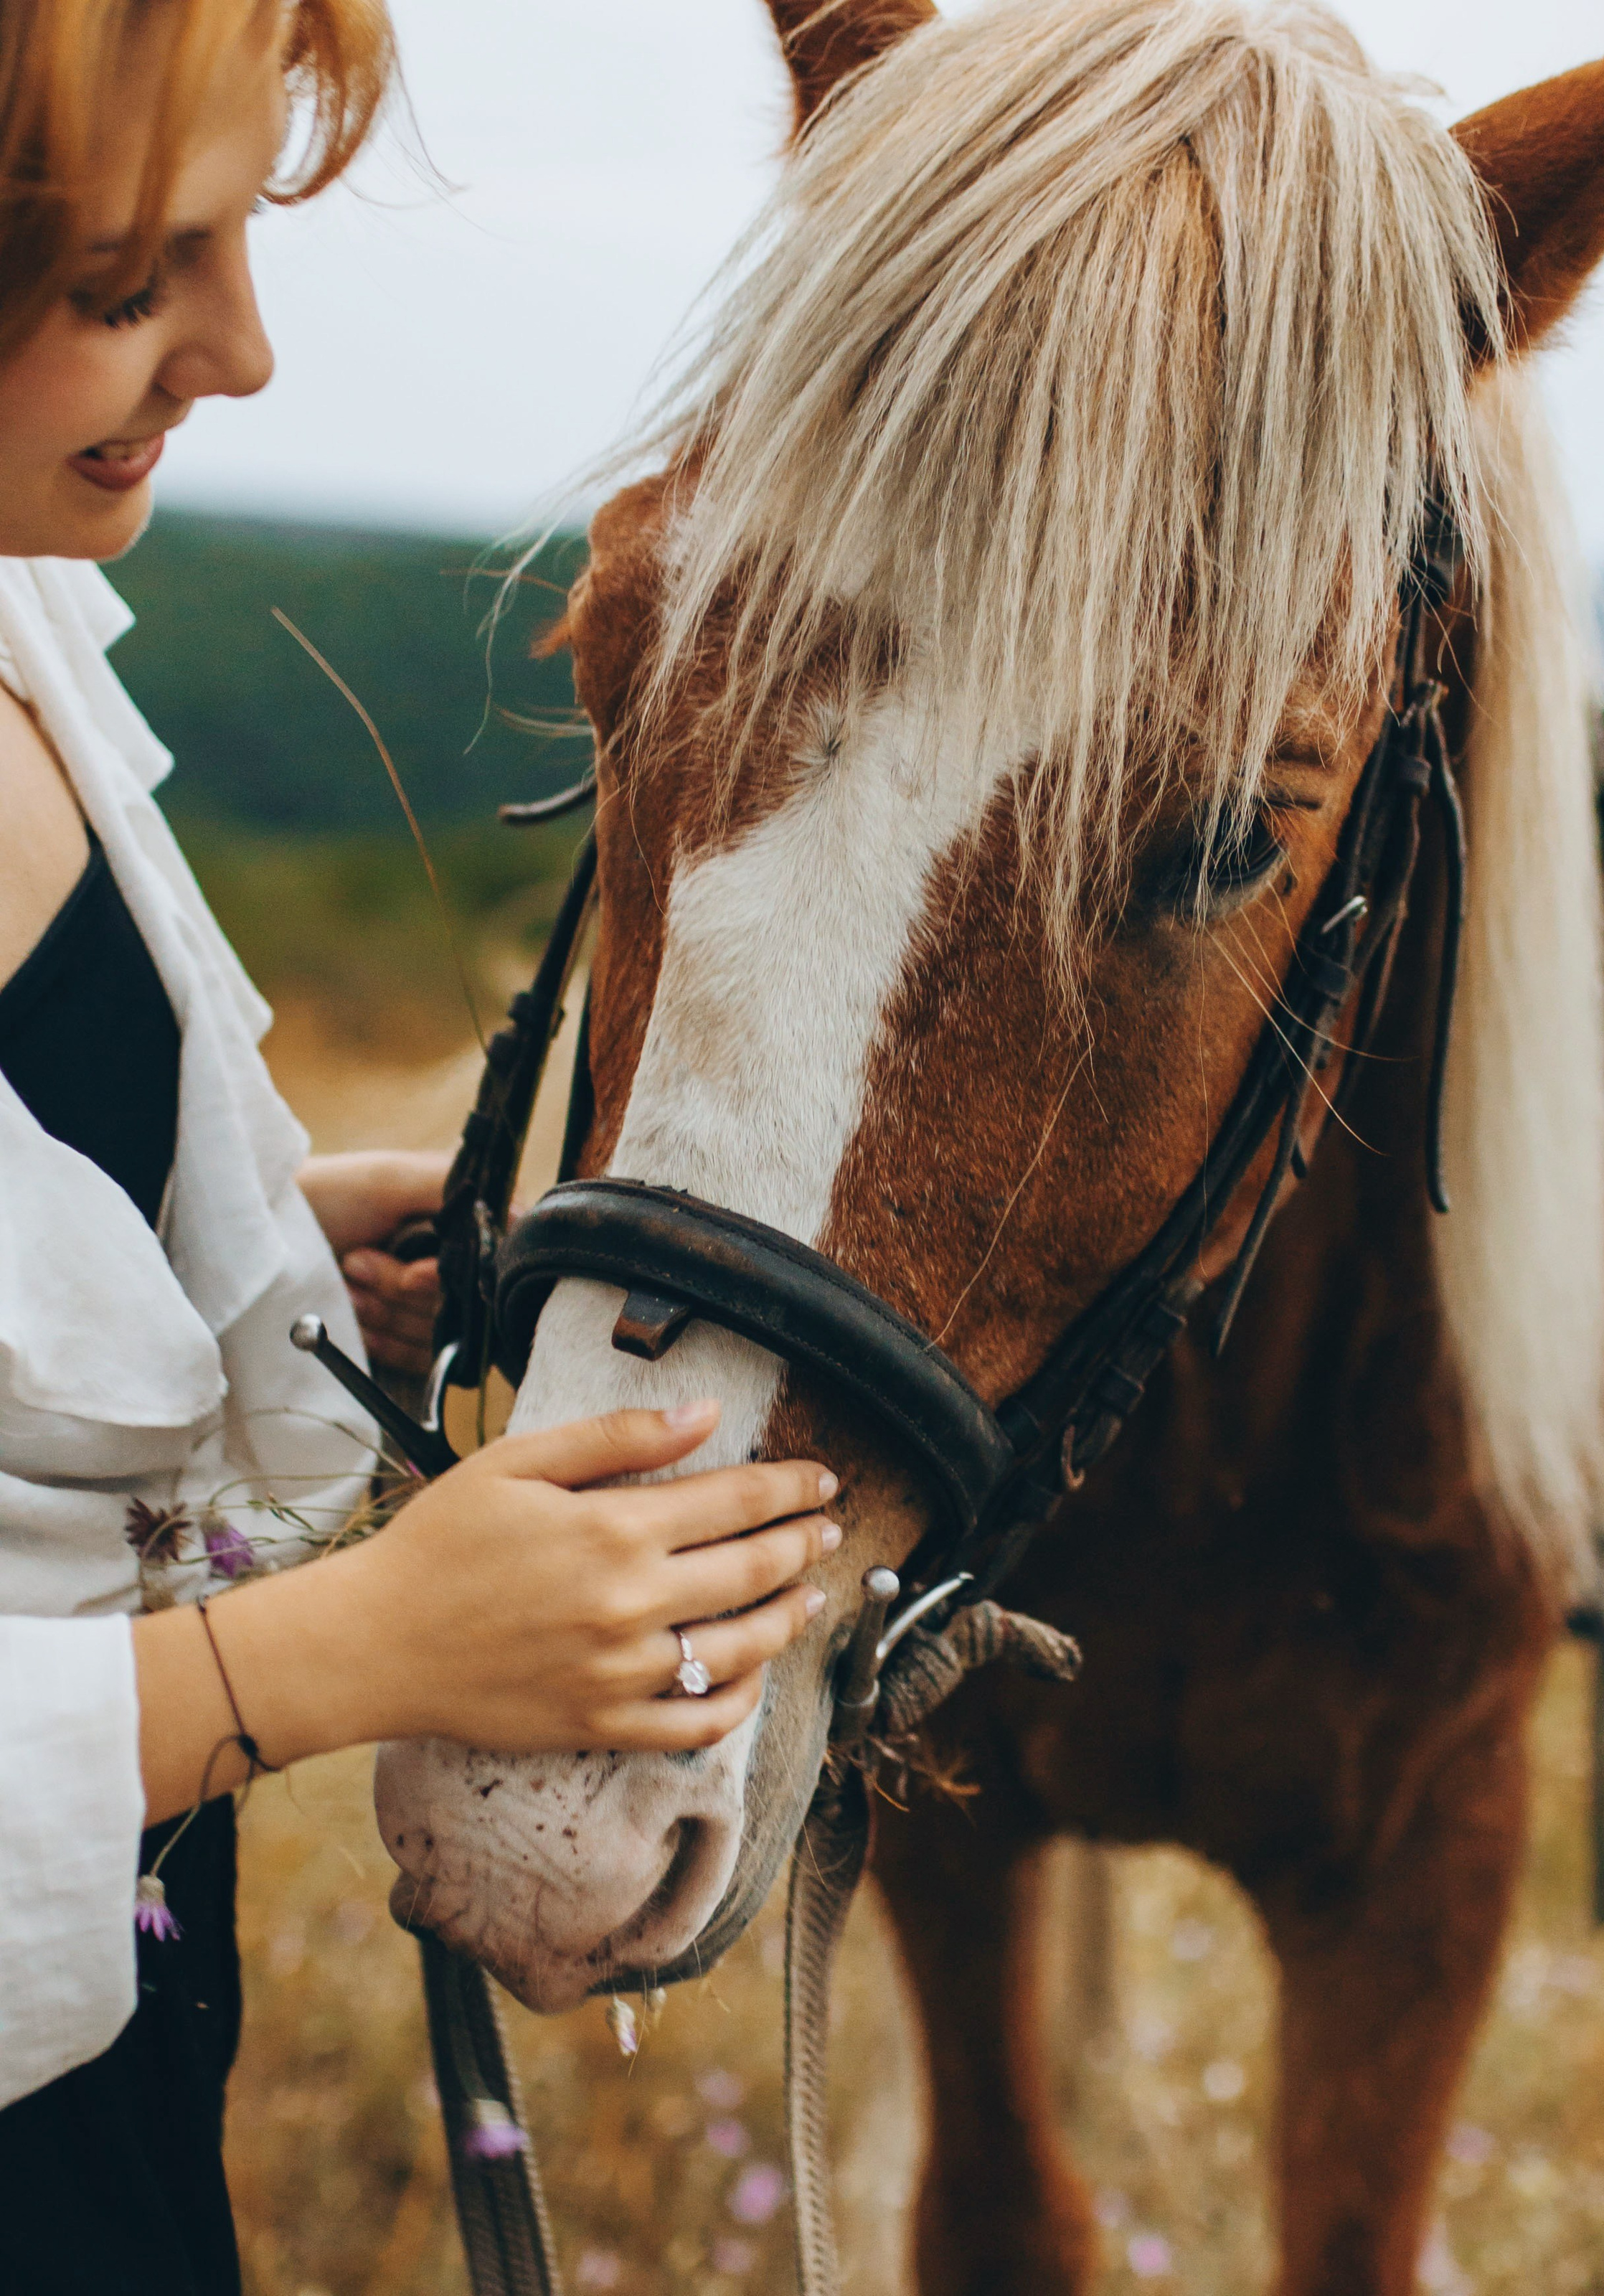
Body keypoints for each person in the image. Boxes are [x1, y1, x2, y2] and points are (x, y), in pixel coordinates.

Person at [0, 6, 836, 2289]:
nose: (248, 356)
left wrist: (250, 1242)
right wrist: (351, 1650)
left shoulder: (26, 622)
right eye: (123, 286)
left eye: (239, 242)